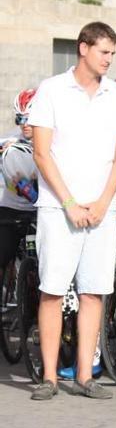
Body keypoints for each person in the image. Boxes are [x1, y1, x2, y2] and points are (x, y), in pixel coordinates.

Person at [27, 21, 116, 400]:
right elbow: (41, 152)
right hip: (59, 209)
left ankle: (85, 376)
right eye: (104, 51)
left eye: (112, 53)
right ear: (83, 48)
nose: (109, 59)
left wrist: (104, 201)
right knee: (53, 291)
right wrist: (70, 203)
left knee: (94, 292)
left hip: (101, 210)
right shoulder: (52, 90)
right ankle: (50, 377)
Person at [0, 89, 38, 287]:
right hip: (11, 209)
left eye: (28, 119)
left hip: (42, 209)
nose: (23, 125)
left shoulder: (55, 142)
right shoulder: (8, 143)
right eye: (19, 119)